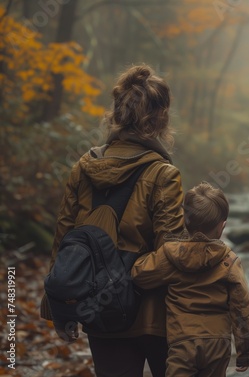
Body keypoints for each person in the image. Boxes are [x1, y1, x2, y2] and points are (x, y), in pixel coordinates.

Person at [40, 64, 184, 377]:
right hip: (157, 317)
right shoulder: (164, 174)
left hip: (102, 312)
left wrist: (57, 307)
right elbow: (171, 253)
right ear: (160, 118)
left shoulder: (82, 167)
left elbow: (65, 238)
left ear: (117, 113)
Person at [131, 182, 249, 376]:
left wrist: (141, 254)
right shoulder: (230, 261)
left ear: (185, 220)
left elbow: (139, 275)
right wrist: (246, 353)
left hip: (182, 342)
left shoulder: (170, 255)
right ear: (222, 226)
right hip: (218, 343)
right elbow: (242, 309)